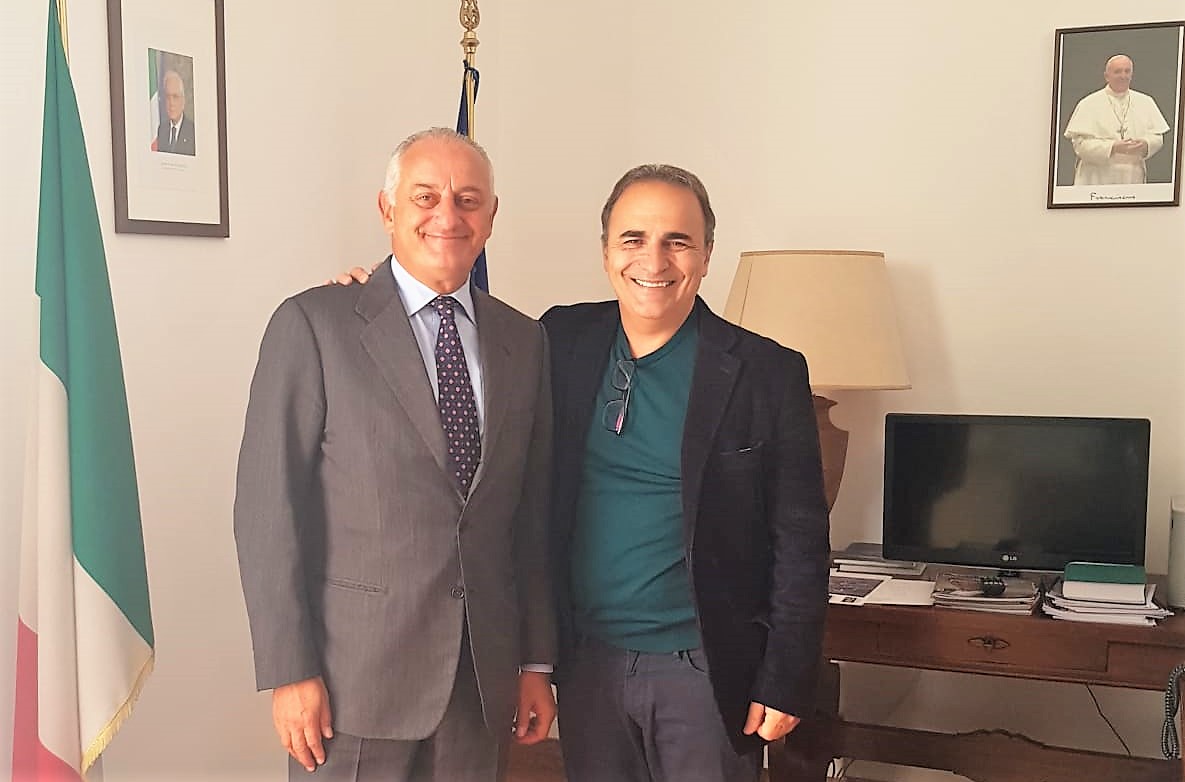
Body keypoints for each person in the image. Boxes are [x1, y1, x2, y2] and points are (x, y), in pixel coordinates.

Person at [336, 163, 830, 782]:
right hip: (588, 664)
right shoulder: (558, 339)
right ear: (605, 252)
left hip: (704, 669)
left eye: (678, 241)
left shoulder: (766, 372)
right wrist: (375, 299)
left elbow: (801, 542)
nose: (654, 260)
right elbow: (450, 355)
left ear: (706, 255)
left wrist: (786, 677)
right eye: (633, 239)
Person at [234, 127, 556, 782]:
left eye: (468, 200)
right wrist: (289, 670)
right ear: (387, 209)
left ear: (491, 216)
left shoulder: (525, 341)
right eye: (425, 197)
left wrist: (535, 662)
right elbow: (268, 513)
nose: (447, 216)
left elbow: (532, 517)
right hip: (351, 686)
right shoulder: (314, 325)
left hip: (479, 682)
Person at [1064, 54, 1170, 185]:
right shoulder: (1089, 103)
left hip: (1132, 176)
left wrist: (1145, 144)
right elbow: (1080, 146)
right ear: (1106, 76)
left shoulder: (1145, 101)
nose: (1123, 76)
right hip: (1096, 177)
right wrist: (1113, 147)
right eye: (1118, 71)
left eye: (1127, 71)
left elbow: (1158, 138)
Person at [155, 70, 196, 155]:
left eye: (175, 97)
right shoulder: (162, 129)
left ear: (183, 101)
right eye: (168, 97)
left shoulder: (193, 132)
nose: (171, 103)